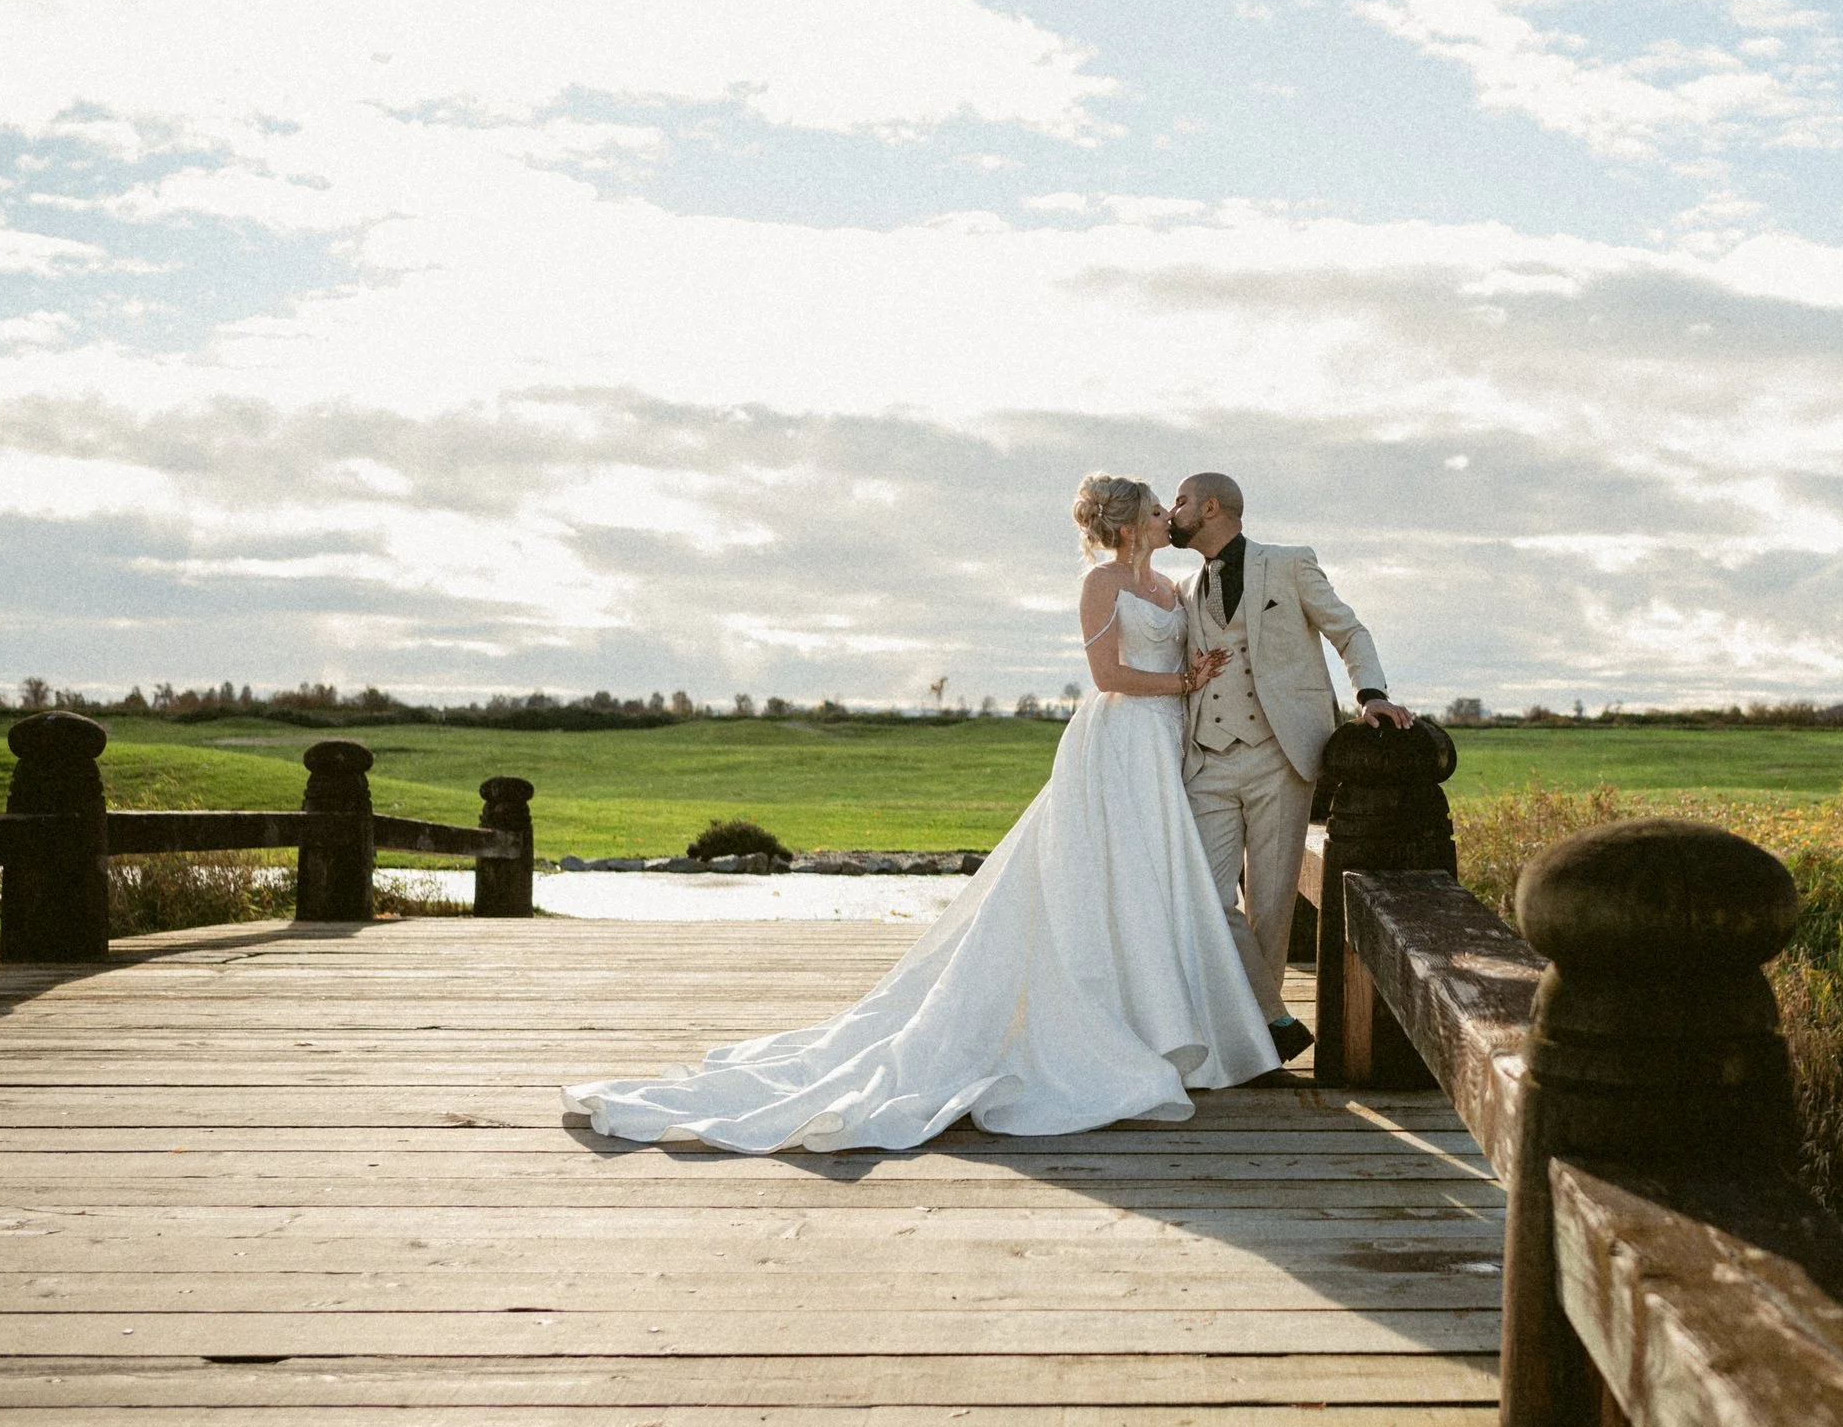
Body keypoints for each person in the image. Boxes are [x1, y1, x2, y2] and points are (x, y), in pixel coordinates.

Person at [563, 474, 1280, 1152]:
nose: (1167, 518)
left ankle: (1164, 1025)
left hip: (1164, 748)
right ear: (1129, 525)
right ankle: (1111, 1031)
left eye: (1171, 509)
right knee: (1102, 878)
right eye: (1158, 509)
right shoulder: (1102, 583)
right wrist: (1181, 680)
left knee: (1151, 885)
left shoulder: (1172, 586)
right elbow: (1105, 676)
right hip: (1118, 739)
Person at [1166, 472, 1410, 1061]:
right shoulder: (1182, 587)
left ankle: (1255, 1043)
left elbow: (1348, 631)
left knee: (1272, 907)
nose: (1171, 512)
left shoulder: (1290, 563)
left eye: (1179, 502)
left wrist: (1370, 693)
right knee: (1205, 896)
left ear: (1212, 507)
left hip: (1280, 756)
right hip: (1208, 759)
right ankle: (1276, 1020)